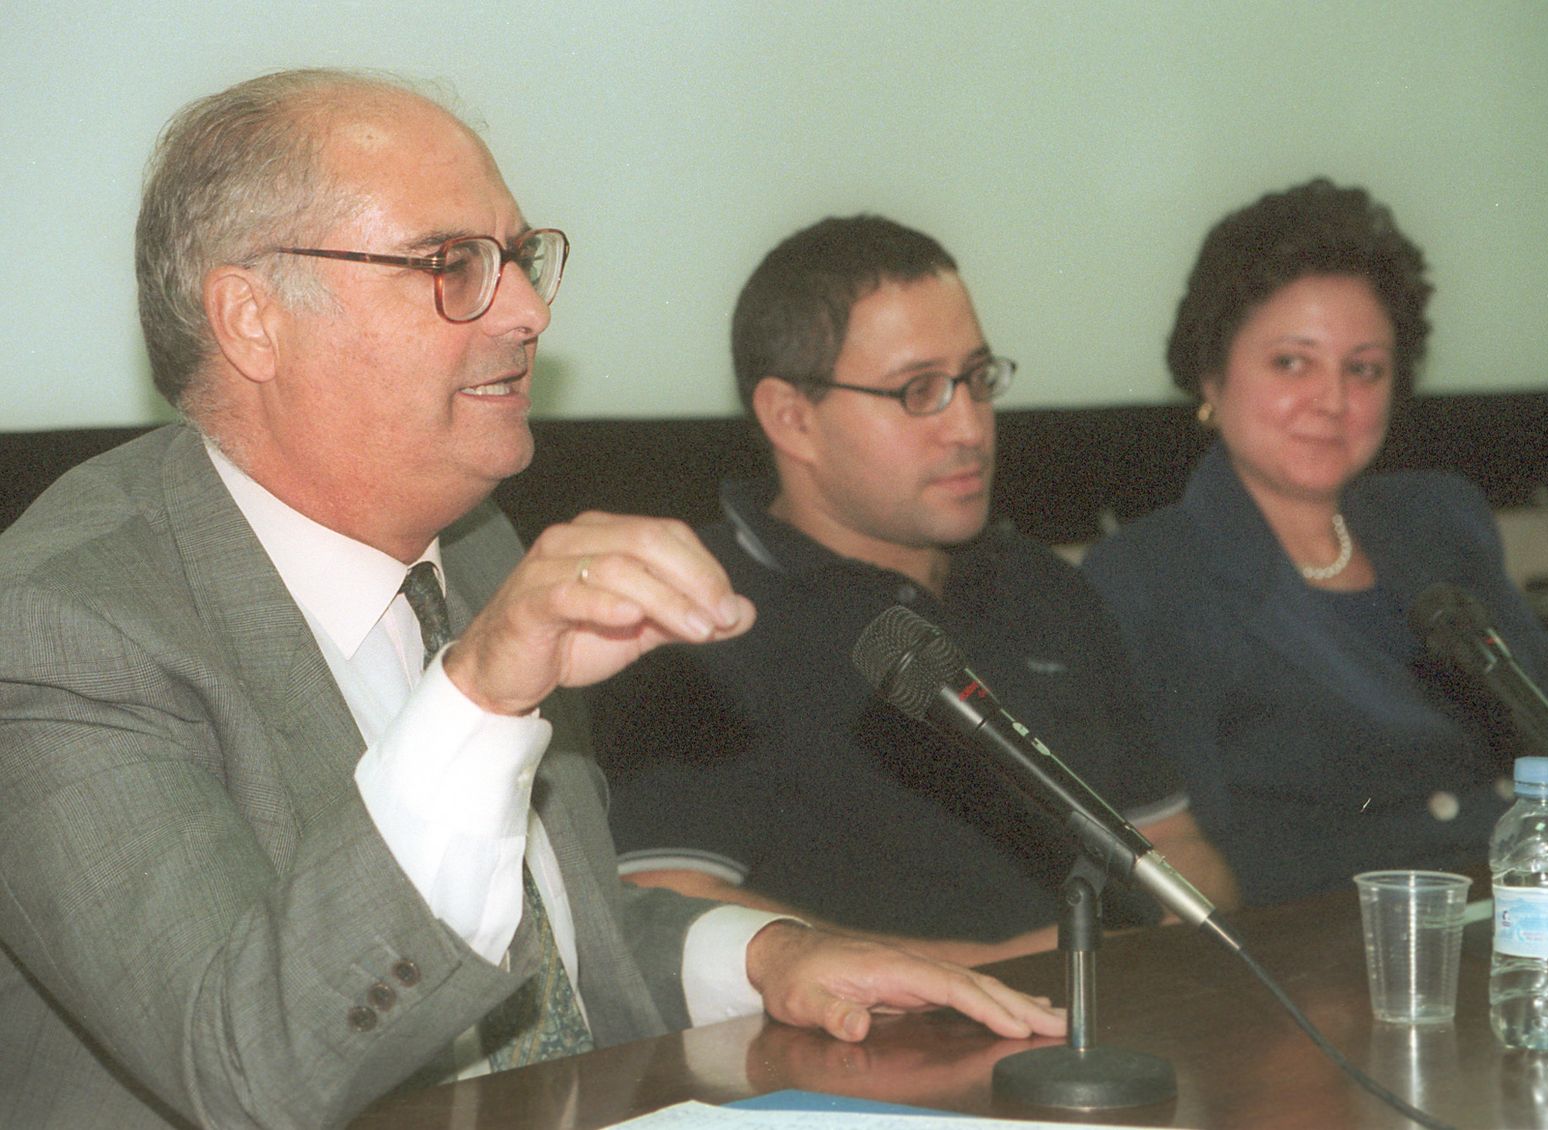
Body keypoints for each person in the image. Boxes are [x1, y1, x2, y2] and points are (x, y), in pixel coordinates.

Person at [0, 72, 1064, 1130]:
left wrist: (772, 952)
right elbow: (246, 1057)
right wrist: (478, 691)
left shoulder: (470, 545)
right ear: (253, 319)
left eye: (516, 257)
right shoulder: (66, 623)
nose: (527, 309)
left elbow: (546, 942)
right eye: (450, 264)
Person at [589, 215, 1238, 966]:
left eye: (978, 379)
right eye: (919, 391)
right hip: (847, 1060)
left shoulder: (1045, 588)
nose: (969, 427)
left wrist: (1156, 934)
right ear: (792, 418)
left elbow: (1172, 843)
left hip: (1110, 1027)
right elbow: (668, 904)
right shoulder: (691, 615)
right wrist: (993, 976)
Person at [1081, 177, 1548, 906]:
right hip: (1331, 966)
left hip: (1533, 922)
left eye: (1364, 369)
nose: (1332, 400)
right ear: (1211, 372)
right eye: (1292, 362)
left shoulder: (1441, 520)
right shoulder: (1149, 576)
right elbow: (1184, 859)